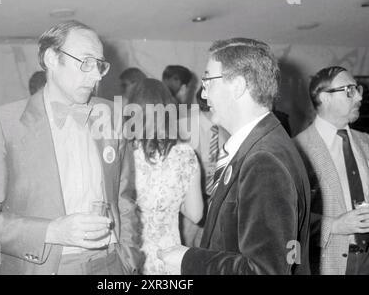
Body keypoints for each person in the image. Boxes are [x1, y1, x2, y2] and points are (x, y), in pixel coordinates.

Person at [0, 20, 143, 275]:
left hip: (111, 265)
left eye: (100, 65)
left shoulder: (111, 114)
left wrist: (128, 261)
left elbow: (123, 197)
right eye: (86, 62)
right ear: (51, 59)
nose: (96, 75)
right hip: (47, 267)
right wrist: (53, 231)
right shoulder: (4, 123)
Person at [159, 37, 311, 275]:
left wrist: (189, 260)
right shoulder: (259, 145)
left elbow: (264, 271)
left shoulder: (264, 160)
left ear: (238, 86)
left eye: (208, 81)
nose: (204, 94)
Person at [294, 66, 369, 275]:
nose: (359, 98)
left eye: (358, 90)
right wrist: (334, 226)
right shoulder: (296, 149)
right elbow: (289, 217)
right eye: (349, 91)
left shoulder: (366, 142)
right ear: (324, 97)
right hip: (328, 263)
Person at [127, 78, 203, 274]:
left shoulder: (123, 152)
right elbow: (196, 214)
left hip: (131, 257)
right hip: (168, 260)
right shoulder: (185, 154)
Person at [179, 87, 229, 247]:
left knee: (206, 247)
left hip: (217, 201)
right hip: (191, 201)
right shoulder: (184, 127)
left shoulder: (227, 128)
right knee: (186, 245)